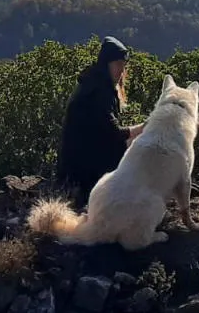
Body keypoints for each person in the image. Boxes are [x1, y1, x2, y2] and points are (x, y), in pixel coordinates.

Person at [54, 36, 145, 209]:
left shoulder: (93, 83)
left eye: (123, 65)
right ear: (107, 64)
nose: (121, 70)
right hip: (85, 168)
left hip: (77, 162)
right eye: (117, 64)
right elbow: (114, 133)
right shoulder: (99, 91)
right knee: (138, 146)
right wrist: (144, 127)